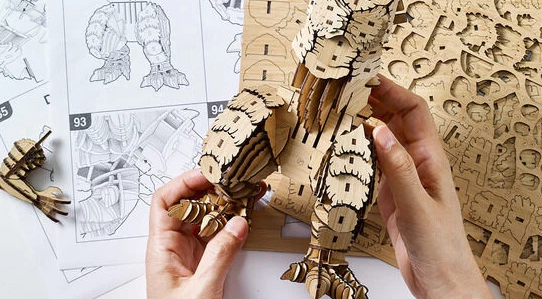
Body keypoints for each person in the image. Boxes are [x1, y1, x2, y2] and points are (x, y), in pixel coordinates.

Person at [146, 76, 494, 299]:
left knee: (352, 161)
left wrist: (451, 284)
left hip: (339, 127)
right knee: (242, 125)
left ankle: (325, 258)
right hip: (290, 115)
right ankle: (228, 198)